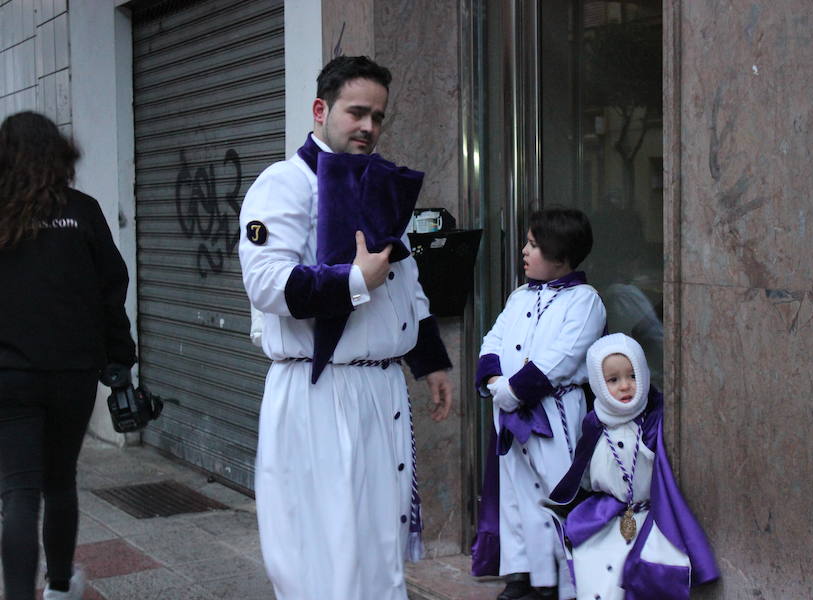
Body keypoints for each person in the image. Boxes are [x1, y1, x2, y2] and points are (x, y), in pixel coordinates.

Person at [238, 55, 454, 600]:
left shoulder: (378, 184)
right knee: (326, 552)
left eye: (378, 116)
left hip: (380, 390)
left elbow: (406, 284)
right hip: (319, 392)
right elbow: (266, 283)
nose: (368, 127)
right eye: (356, 112)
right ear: (320, 109)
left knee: (378, 548)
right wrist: (353, 281)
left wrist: (429, 361)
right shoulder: (283, 184)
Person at [0, 111, 136, 600]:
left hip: (9, 376)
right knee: (59, 481)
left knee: (18, 492)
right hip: (72, 373)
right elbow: (111, 288)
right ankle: (59, 588)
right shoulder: (82, 211)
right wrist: (120, 357)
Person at [471, 209, 606, 600]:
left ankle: (562, 581)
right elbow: (493, 340)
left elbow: (563, 356)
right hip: (509, 411)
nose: (525, 251)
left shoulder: (585, 301)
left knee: (556, 492)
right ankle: (522, 573)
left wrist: (513, 391)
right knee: (516, 493)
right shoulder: (520, 296)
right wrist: (495, 382)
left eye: (534, 245)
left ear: (560, 255)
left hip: (553, 411)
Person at [541, 333, 719, 599]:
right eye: (613, 380)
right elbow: (583, 473)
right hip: (606, 519)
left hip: (650, 519)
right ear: (599, 383)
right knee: (598, 575)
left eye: (633, 376)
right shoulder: (594, 424)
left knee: (645, 576)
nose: (625, 386)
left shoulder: (655, 421)